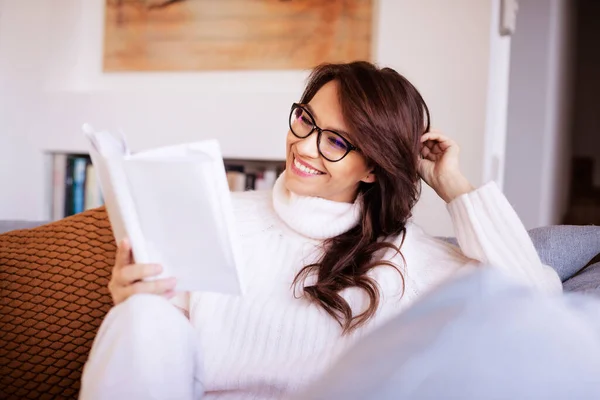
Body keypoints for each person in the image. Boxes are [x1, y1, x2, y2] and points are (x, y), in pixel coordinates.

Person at [79, 61, 562, 399]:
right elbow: (156, 351)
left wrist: (453, 186)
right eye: (306, 120)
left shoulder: (408, 259)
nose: (305, 148)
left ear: (372, 168)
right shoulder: (220, 213)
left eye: (335, 141)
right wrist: (134, 298)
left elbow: (536, 298)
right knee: (145, 317)